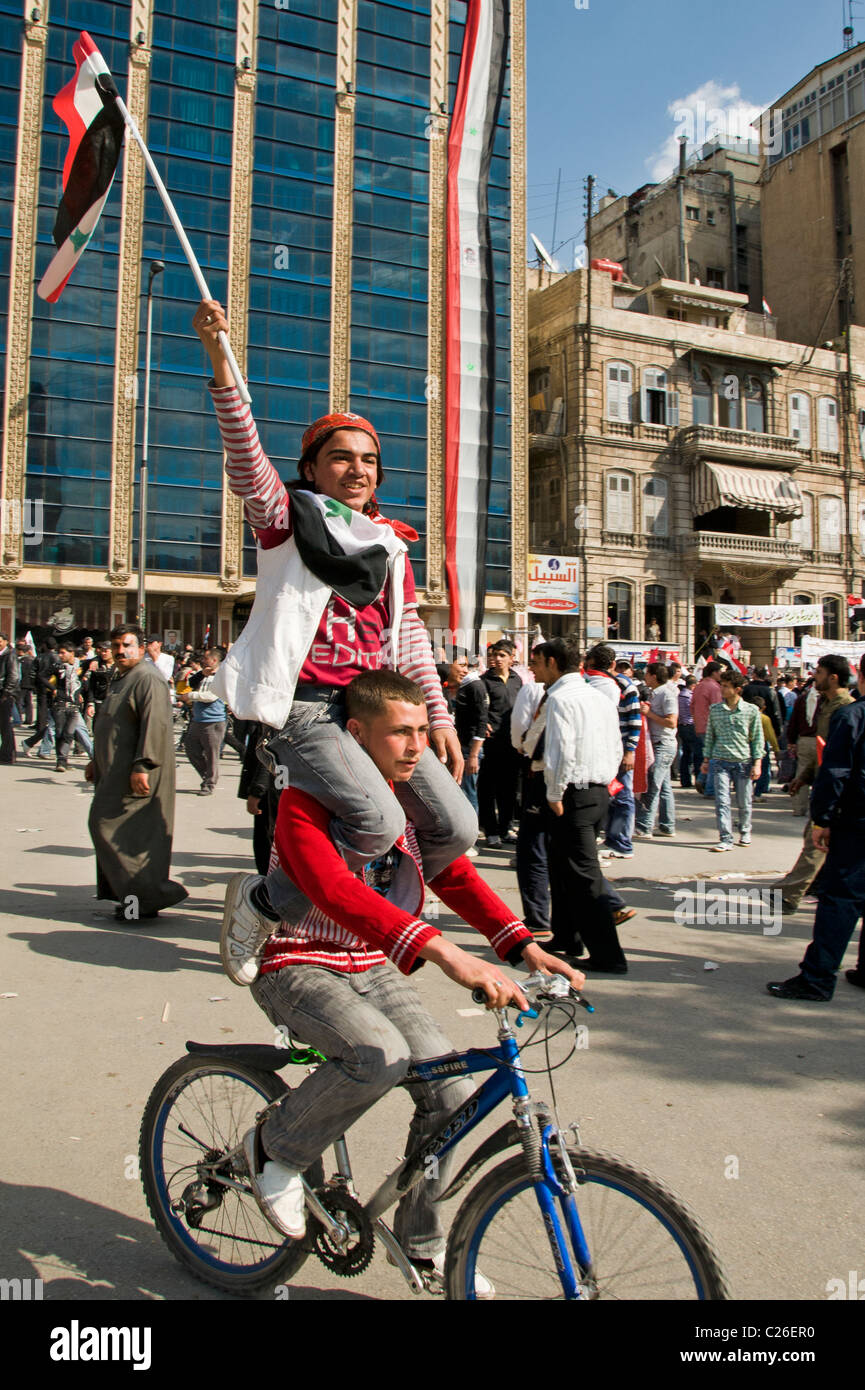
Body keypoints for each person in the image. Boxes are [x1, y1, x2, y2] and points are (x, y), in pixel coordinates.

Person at [222, 670, 582, 1288]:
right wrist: (447, 954)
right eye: (399, 734)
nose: (416, 746)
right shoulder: (307, 801)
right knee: (378, 1055)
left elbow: (453, 873)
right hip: (296, 963)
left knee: (450, 1097)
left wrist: (519, 943)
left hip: (369, 967)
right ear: (356, 735)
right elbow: (332, 889)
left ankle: (420, 1242)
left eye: (421, 731)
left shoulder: (404, 800)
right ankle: (272, 1149)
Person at [194, 298, 475, 934]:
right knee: (377, 819)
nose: (357, 470)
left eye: (368, 459)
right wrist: (220, 360)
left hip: (376, 708)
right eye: (341, 458)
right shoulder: (286, 521)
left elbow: (407, 639)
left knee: (457, 823)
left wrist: (436, 718)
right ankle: (271, 906)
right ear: (313, 469)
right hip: (305, 707)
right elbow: (246, 457)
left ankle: (366, 898)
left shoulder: (390, 545)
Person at [768, 657, 865, 1001]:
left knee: (839, 901)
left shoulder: (851, 714)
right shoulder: (844, 711)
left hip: (856, 821)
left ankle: (817, 978)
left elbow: (836, 771)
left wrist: (823, 819)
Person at [537, 638, 627, 973]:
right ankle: (565, 937)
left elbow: (560, 752)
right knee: (562, 868)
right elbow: (615, 746)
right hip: (598, 789)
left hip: (575, 792)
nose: (533, 668)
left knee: (583, 875)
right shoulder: (599, 696)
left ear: (552, 662)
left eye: (536, 662)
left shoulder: (561, 698)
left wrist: (555, 792)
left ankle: (609, 955)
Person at [86, 626, 188, 921]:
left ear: (142, 648)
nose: (120, 651)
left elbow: (154, 725)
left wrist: (143, 766)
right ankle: (134, 901)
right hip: (113, 773)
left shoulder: (147, 678)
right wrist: (96, 761)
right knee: (124, 837)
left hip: (138, 773)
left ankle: (151, 895)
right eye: (116, 645)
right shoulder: (120, 677)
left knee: (114, 829)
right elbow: (111, 723)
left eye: (127, 645)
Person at [774, 656, 854, 910]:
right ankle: (819, 886)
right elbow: (825, 750)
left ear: (833, 677)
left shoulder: (845, 709)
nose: (814, 676)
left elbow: (839, 755)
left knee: (816, 841)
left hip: (838, 786)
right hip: (825, 780)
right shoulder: (827, 705)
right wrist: (804, 776)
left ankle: (788, 894)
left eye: (819, 672)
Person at [585, 643, 640, 861]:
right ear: (613, 663)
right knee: (607, 795)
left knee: (622, 795)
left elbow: (634, 720)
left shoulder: (623, 685)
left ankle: (622, 843)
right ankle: (610, 837)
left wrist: (629, 751)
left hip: (618, 751)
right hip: (601, 751)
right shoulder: (589, 682)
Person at [700, 670, 763, 852]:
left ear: (737, 689)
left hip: (743, 761)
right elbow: (710, 737)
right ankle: (725, 837)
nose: (722, 689)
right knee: (722, 801)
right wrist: (706, 759)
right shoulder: (715, 710)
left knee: (744, 801)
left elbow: (757, 738)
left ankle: (745, 831)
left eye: (726, 686)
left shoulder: (751, 711)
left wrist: (757, 763)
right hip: (720, 761)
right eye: (722, 685)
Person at [478, 641, 523, 846]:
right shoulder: (484, 681)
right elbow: (478, 709)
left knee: (509, 789)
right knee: (488, 789)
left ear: (511, 658)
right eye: (495, 655)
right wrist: (483, 723)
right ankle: (491, 830)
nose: (497, 659)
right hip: (491, 742)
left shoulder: (517, 680)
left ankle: (506, 828)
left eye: (502, 655)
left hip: (513, 742)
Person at [634, 661, 678, 838]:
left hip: (663, 744)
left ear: (653, 675)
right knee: (664, 787)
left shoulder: (666, 694)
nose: (644, 677)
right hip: (657, 743)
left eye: (646, 673)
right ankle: (667, 825)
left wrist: (649, 714)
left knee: (652, 785)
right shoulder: (655, 693)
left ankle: (645, 826)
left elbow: (671, 721)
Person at [446, 650, 488, 828]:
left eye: (467, 666)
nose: (465, 670)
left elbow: (482, 721)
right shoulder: (455, 687)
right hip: (456, 748)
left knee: (467, 793)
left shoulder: (475, 686)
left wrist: (473, 755)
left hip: (468, 750)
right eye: (461, 665)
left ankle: (470, 836)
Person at [180, 647, 227, 796]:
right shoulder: (203, 674)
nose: (202, 661)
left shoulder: (222, 675)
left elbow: (211, 696)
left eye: (206, 658)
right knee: (191, 749)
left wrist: (190, 696)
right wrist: (201, 674)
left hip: (213, 720)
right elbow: (191, 682)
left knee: (211, 754)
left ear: (214, 660)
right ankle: (208, 776)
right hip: (197, 719)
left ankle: (209, 783)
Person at [52, 639, 93, 771]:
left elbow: (84, 683)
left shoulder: (80, 666)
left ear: (72, 653)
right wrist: (54, 690)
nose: (60, 655)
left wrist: (80, 693)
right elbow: (42, 677)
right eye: (59, 653)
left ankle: (62, 760)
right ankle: (61, 760)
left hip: (74, 706)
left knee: (70, 733)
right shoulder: (58, 667)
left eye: (63, 653)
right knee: (60, 733)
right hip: (60, 705)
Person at [786, 679, 819, 815]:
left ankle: (799, 808)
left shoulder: (802, 699)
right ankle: (817, 810)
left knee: (802, 773)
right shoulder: (827, 701)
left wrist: (792, 741)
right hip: (822, 740)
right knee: (820, 774)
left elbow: (793, 722)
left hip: (804, 740)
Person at [691, 660, 723, 796]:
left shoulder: (698, 686)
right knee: (714, 758)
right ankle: (709, 789)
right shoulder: (714, 688)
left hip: (699, 725)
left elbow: (691, 706)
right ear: (714, 673)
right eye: (720, 672)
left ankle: (701, 778)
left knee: (707, 756)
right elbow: (717, 709)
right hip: (711, 726)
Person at [747, 694, 779, 799]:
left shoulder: (745, 716)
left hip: (747, 744)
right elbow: (770, 734)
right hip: (762, 744)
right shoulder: (764, 718)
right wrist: (776, 748)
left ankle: (746, 791)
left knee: (747, 768)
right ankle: (758, 793)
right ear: (763, 707)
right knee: (763, 768)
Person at [742, 667, 783, 743]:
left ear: (754, 675)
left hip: (746, 724)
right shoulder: (770, 691)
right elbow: (776, 712)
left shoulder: (745, 689)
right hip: (764, 725)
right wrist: (778, 730)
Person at [0, 633, 20, 764]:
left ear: (6, 642)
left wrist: (6, 693)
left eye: (0, 641)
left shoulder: (10, 655)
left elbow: (14, 676)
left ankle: (8, 755)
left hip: (4, 694)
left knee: (5, 724)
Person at [676, 675, 699, 789]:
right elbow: (693, 711)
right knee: (694, 753)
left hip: (681, 725)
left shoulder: (679, 695)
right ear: (693, 685)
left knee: (686, 753)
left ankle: (685, 780)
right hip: (690, 725)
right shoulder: (689, 696)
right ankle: (696, 778)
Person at [15, 640, 35, 726]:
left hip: (22, 683)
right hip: (30, 684)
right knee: (28, 702)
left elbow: (19, 673)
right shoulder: (31, 660)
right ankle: (29, 719)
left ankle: (18, 718)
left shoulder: (21, 661)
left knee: (19, 701)